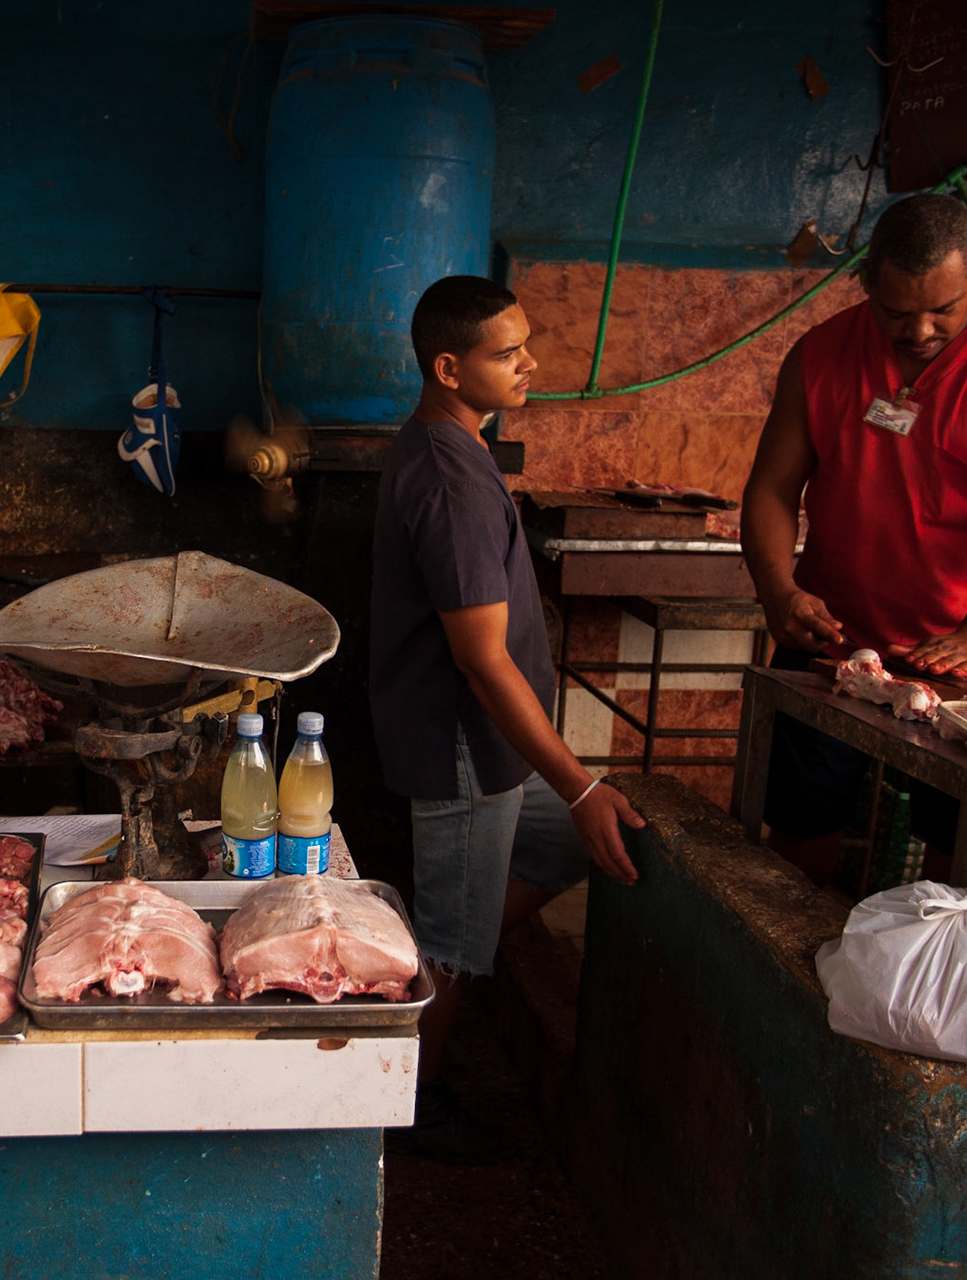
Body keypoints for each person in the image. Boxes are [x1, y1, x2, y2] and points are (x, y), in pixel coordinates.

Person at [369, 274, 645, 1162]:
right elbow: (482, 660)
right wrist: (582, 783)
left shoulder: (457, 445)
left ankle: (453, 951)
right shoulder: (450, 477)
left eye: (526, 345)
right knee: (449, 943)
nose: (529, 364)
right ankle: (410, 1108)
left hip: (492, 746)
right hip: (462, 743)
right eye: (507, 353)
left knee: (569, 847)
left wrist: (575, 799)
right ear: (449, 368)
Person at [740, 193, 967, 875]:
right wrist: (778, 589)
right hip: (831, 642)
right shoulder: (822, 353)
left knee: (962, 854)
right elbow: (772, 488)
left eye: (943, 309)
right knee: (799, 837)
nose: (920, 330)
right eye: (896, 312)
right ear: (867, 280)